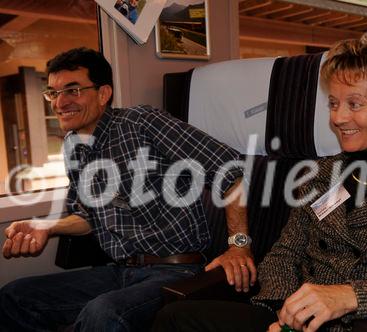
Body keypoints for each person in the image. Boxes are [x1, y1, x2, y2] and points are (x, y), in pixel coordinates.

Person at [152, 39, 367, 332]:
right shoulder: (320, 175)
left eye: (355, 104)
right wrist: (281, 313)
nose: (338, 118)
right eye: (334, 104)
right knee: (176, 317)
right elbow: (284, 255)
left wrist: (351, 297)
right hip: (296, 322)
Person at [0, 47, 256, 332]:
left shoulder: (141, 123)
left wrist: (239, 246)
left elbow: (230, 169)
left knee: (103, 313)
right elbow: (87, 218)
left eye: (72, 90)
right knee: (14, 297)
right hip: (120, 270)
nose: (60, 103)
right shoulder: (73, 147)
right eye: (53, 93)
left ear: (103, 93)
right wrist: (46, 227)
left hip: (175, 270)